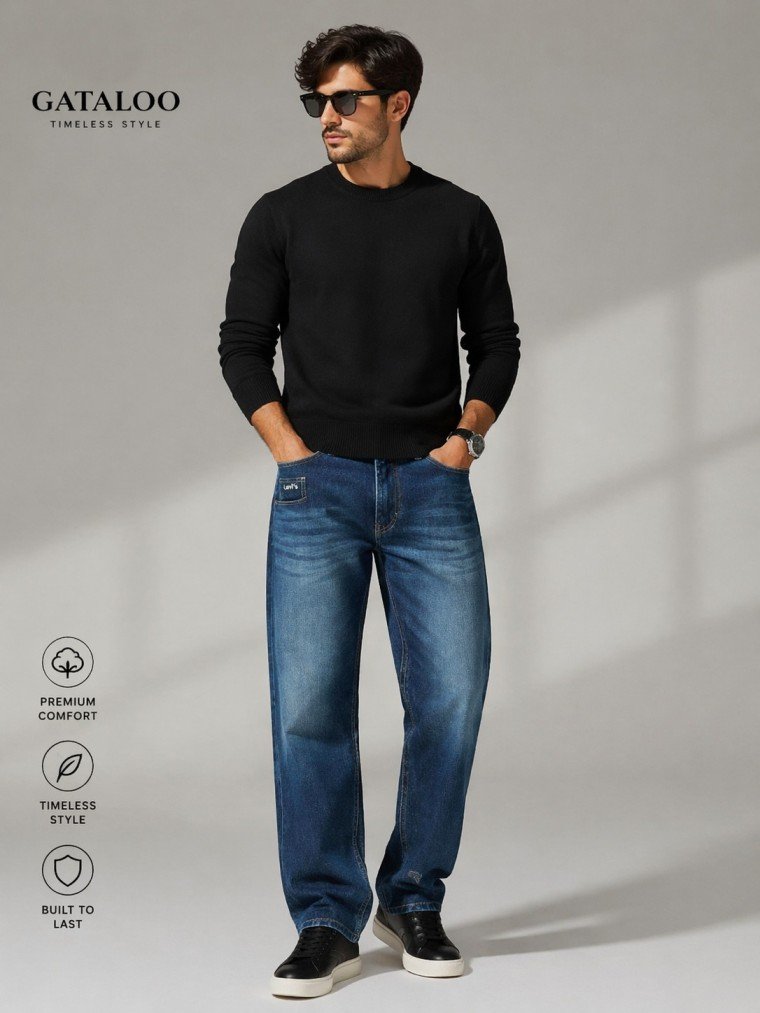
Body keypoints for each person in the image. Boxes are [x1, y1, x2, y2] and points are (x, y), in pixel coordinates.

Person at [218, 23, 520, 999]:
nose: (327, 117)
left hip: (431, 488)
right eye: (317, 101)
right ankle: (324, 918)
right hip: (319, 489)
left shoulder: (460, 216)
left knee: (451, 700)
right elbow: (241, 345)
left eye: (345, 99)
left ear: (398, 105)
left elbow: (498, 344)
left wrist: (463, 439)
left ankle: (413, 896)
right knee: (310, 711)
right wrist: (290, 452)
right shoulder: (281, 216)